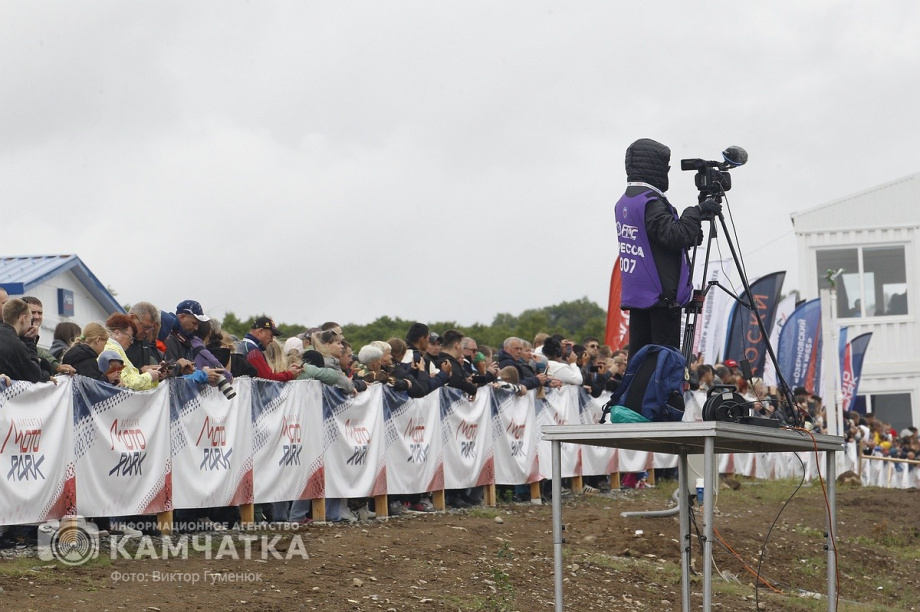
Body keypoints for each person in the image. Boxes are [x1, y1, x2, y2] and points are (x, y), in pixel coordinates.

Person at [615, 138, 720, 356]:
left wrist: (694, 220)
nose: (668, 170)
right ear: (655, 165)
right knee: (664, 361)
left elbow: (674, 238)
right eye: (666, 165)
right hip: (661, 297)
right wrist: (696, 211)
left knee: (641, 360)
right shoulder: (650, 201)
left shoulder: (627, 201)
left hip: (639, 294)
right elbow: (674, 237)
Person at [0, 298, 49, 383]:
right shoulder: (16, 345)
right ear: (23, 318)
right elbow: (35, 374)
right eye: (30, 320)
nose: (31, 324)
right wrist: (30, 341)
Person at [240, 317, 303, 382]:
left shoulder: (243, 345)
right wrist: (289, 374)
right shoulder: (253, 352)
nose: (272, 340)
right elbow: (268, 380)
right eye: (271, 335)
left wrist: (288, 372)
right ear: (260, 332)